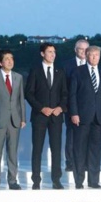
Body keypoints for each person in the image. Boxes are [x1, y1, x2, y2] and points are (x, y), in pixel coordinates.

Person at [69, 45, 101, 189]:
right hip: (81, 117)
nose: (95, 57)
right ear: (86, 55)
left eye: (97, 55)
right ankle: (79, 181)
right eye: (92, 55)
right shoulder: (77, 72)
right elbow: (72, 95)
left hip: (99, 117)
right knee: (80, 149)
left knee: (95, 150)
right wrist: (74, 113)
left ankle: (93, 181)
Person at [25, 43, 68, 190]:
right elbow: (29, 93)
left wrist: (60, 108)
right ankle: (36, 180)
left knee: (56, 149)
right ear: (42, 54)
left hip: (56, 117)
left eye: (54, 52)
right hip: (39, 116)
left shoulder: (60, 71)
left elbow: (65, 94)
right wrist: (41, 108)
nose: (53, 54)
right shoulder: (35, 71)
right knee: (37, 149)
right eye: (49, 52)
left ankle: (56, 180)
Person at [0, 49, 26, 190]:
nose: (10, 61)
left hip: (15, 119)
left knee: (13, 151)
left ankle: (12, 180)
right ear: (0, 62)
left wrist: (23, 118)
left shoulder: (18, 77)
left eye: (12, 58)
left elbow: (21, 99)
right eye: (7, 59)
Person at [62, 39, 89, 172]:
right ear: (75, 50)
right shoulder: (66, 65)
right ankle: (70, 163)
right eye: (80, 49)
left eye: (86, 49)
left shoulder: (92, 65)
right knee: (71, 136)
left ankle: (84, 163)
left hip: (88, 108)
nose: (83, 52)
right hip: (71, 108)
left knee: (86, 136)